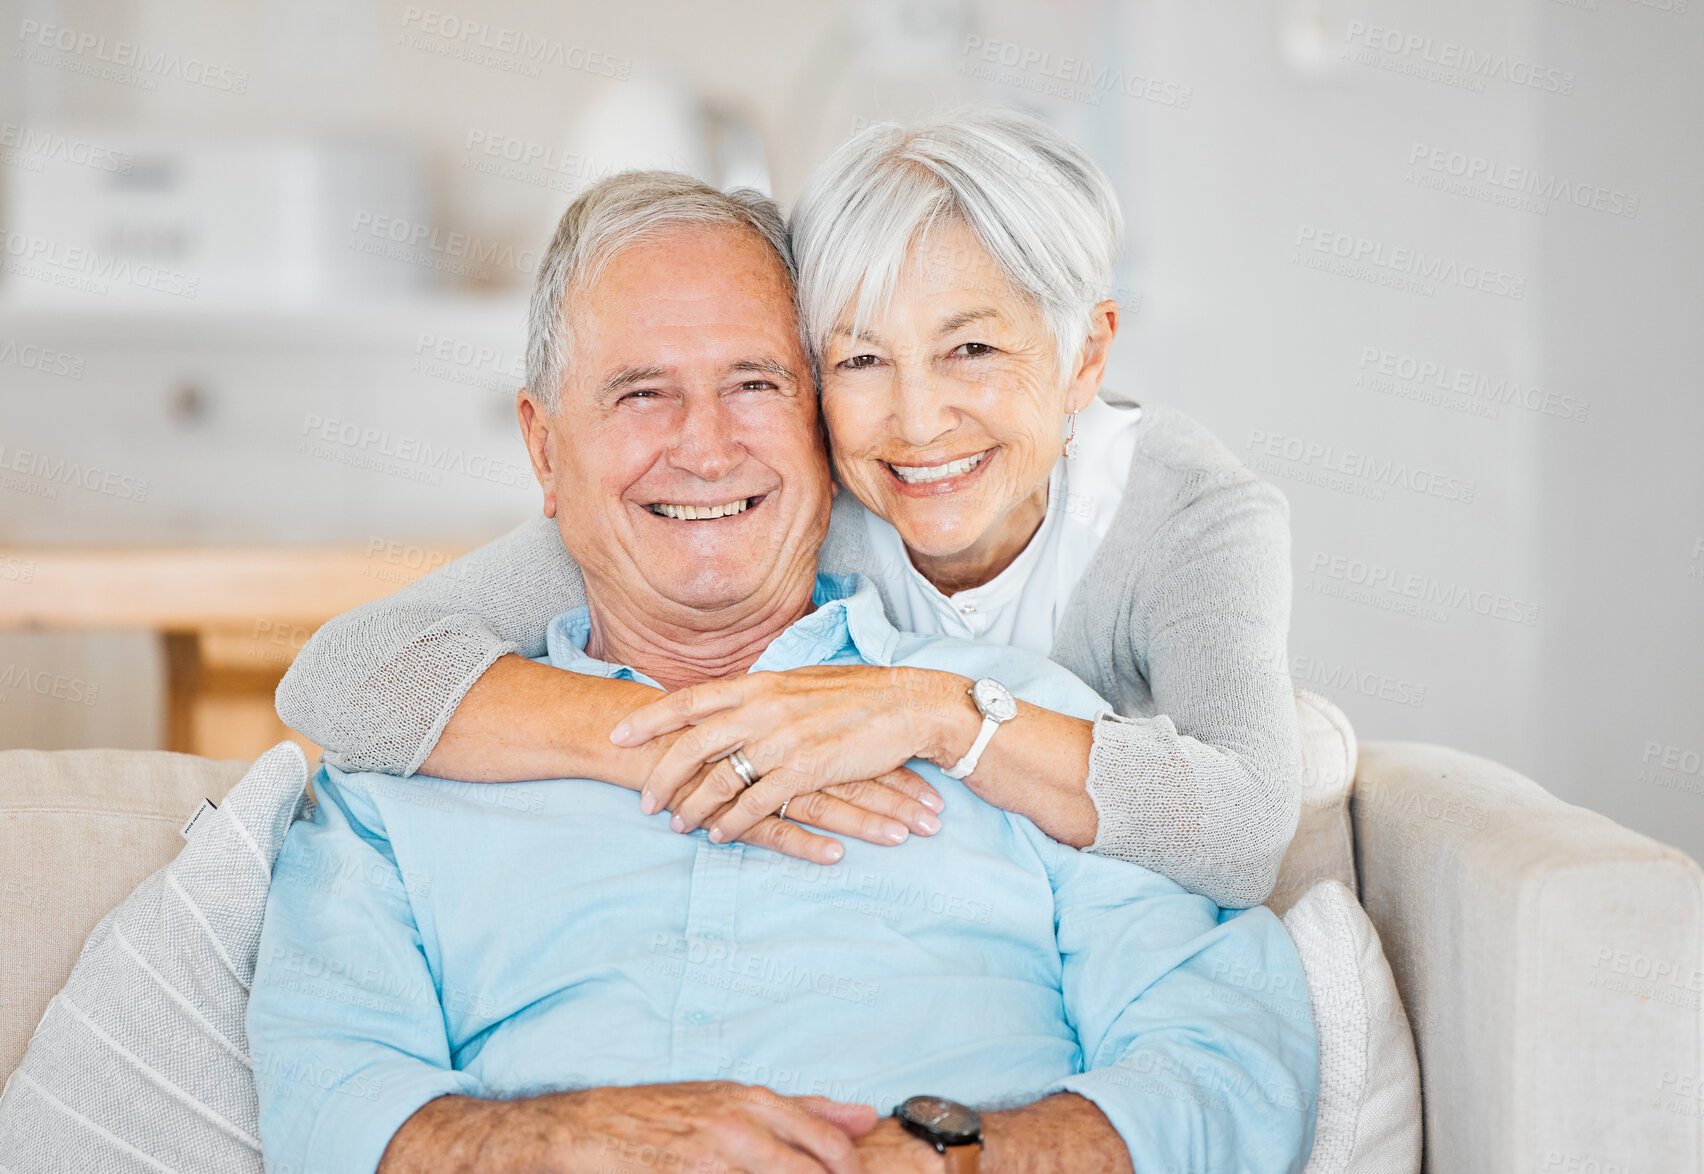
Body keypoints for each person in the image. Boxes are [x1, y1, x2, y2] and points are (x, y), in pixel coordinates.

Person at [247, 174, 1318, 1174]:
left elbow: (1230, 1063)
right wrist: (572, 1141)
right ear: (544, 450)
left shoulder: (1030, 732)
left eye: (753, 384)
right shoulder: (401, 784)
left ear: (821, 422)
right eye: (639, 393)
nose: (706, 448)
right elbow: (327, 1097)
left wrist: (954, 1154)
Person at [276, 105, 1301, 909]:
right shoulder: (806, 497)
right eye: (860, 358)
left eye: (973, 349)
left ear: (1085, 354)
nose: (918, 421)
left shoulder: (1190, 516)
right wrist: (706, 736)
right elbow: (346, 673)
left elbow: (1247, 828)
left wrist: (928, 713)